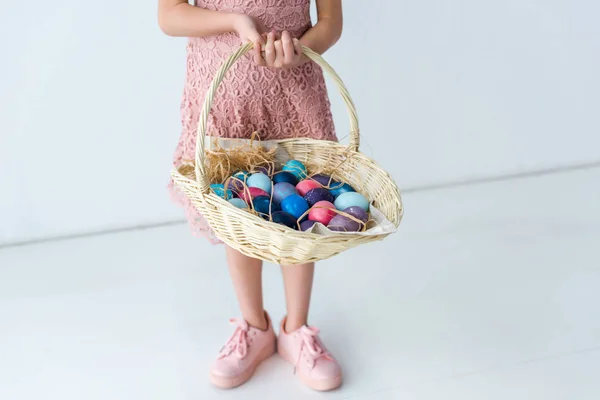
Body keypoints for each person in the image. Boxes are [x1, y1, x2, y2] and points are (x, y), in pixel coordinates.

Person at [158, 0, 343, 391]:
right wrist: (234, 20)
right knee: (236, 206)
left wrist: (302, 50)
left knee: (301, 206)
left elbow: (329, 23)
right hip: (221, 90)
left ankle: (296, 329)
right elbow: (170, 15)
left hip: (293, 91)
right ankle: (254, 327)